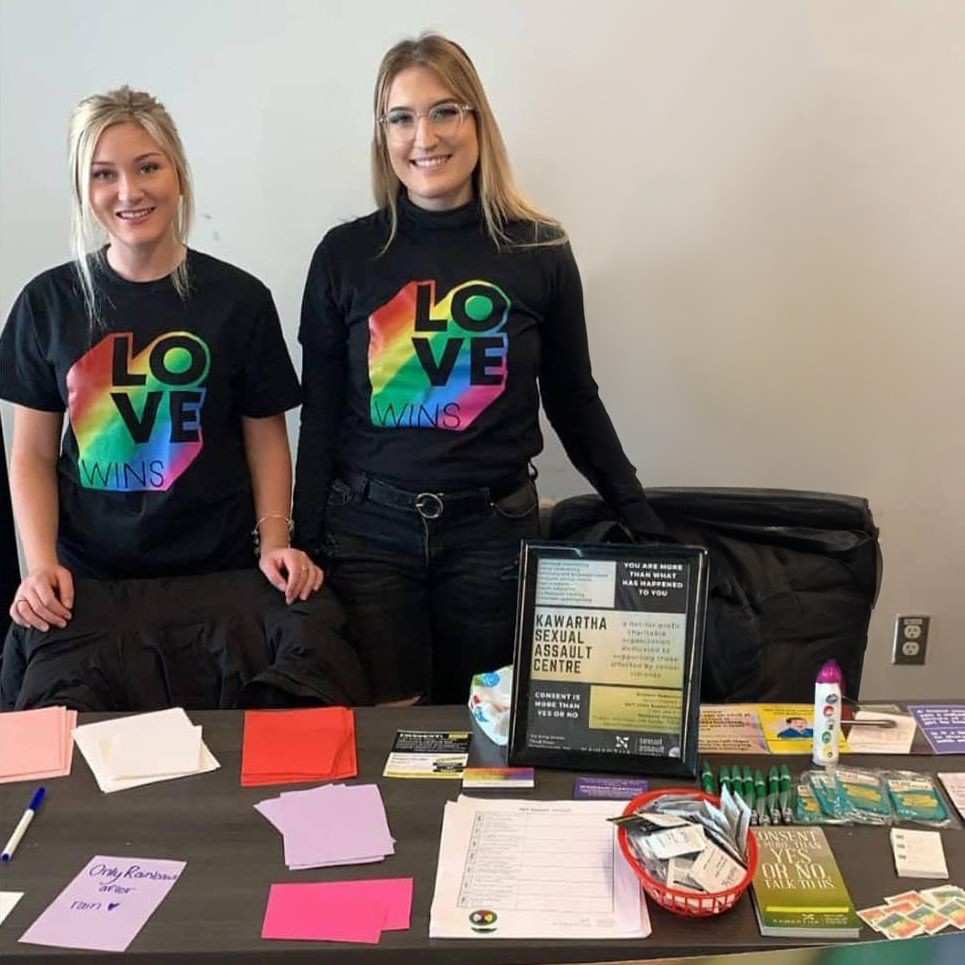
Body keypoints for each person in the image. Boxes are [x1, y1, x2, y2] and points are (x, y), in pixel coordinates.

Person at [294, 34, 665, 705]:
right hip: (369, 535)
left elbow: (573, 399)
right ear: (382, 136)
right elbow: (319, 414)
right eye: (400, 118)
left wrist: (637, 515)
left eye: (444, 111)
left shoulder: (539, 250)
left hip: (493, 536)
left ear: (476, 122)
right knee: (393, 739)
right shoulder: (344, 256)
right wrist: (304, 537)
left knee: (485, 736)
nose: (423, 136)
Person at [1, 86, 323, 638]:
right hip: (92, 586)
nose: (129, 191)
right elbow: (31, 454)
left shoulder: (239, 300)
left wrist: (275, 542)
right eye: (104, 174)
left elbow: (266, 438)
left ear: (177, 172)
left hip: (218, 578)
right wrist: (39, 566)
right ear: (83, 189)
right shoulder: (46, 303)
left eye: (147, 167)